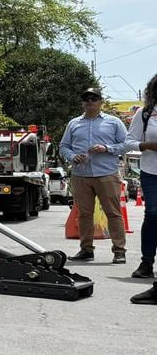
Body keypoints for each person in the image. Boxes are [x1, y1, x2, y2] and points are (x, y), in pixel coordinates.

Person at [60, 87, 130, 263]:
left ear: (100, 102)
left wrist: (107, 148)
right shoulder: (74, 123)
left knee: (113, 213)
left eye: (94, 98)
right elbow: (64, 146)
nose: (90, 102)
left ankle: (119, 251)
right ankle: (86, 250)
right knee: (84, 214)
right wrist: (72, 156)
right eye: (86, 99)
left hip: (106, 173)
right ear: (82, 103)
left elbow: (127, 144)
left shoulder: (113, 122)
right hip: (81, 174)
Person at [125, 74, 157, 301]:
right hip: (152, 172)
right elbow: (128, 143)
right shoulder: (145, 113)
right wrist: (147, 145)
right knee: (153, 215)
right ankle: (147, 263)